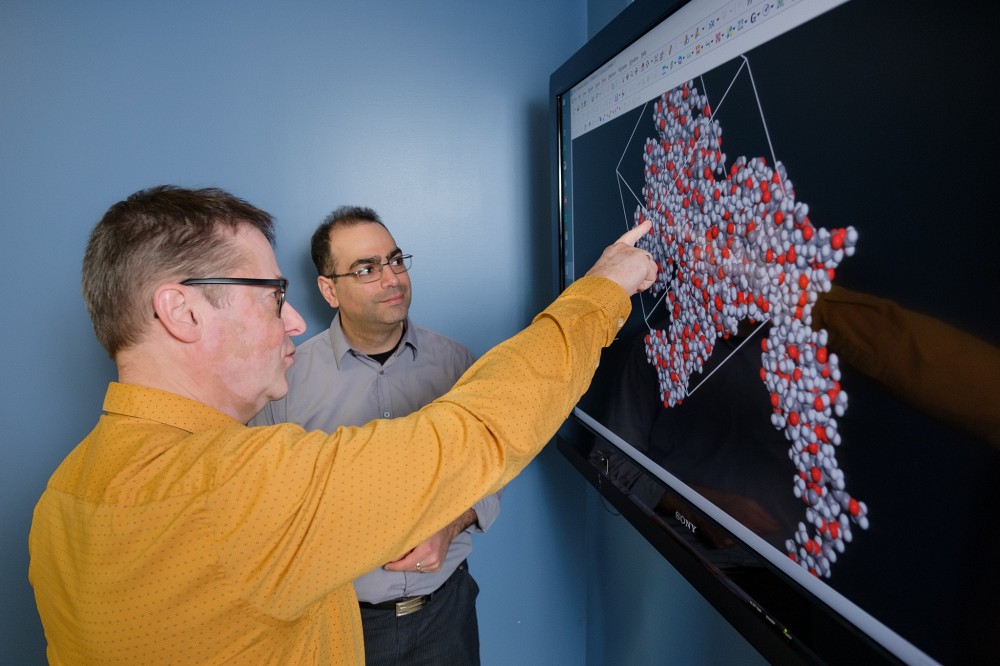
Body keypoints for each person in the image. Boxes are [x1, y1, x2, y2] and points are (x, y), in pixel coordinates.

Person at [28, 185, 657, 665]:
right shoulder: (245, 487)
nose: (292, 321)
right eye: (273, 297)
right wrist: (602, 291)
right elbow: (476, 432)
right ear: (182, 311)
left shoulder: (59, 500)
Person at [250, 205, 497, 664]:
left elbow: (490, 470)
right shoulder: (284, 382)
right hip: (336, 625)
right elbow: (259, 505)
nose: (392, 279)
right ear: (329, 289)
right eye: (366, 269)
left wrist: (450, 524)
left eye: (396, 260)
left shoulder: (459, 364)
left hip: (446, 615)